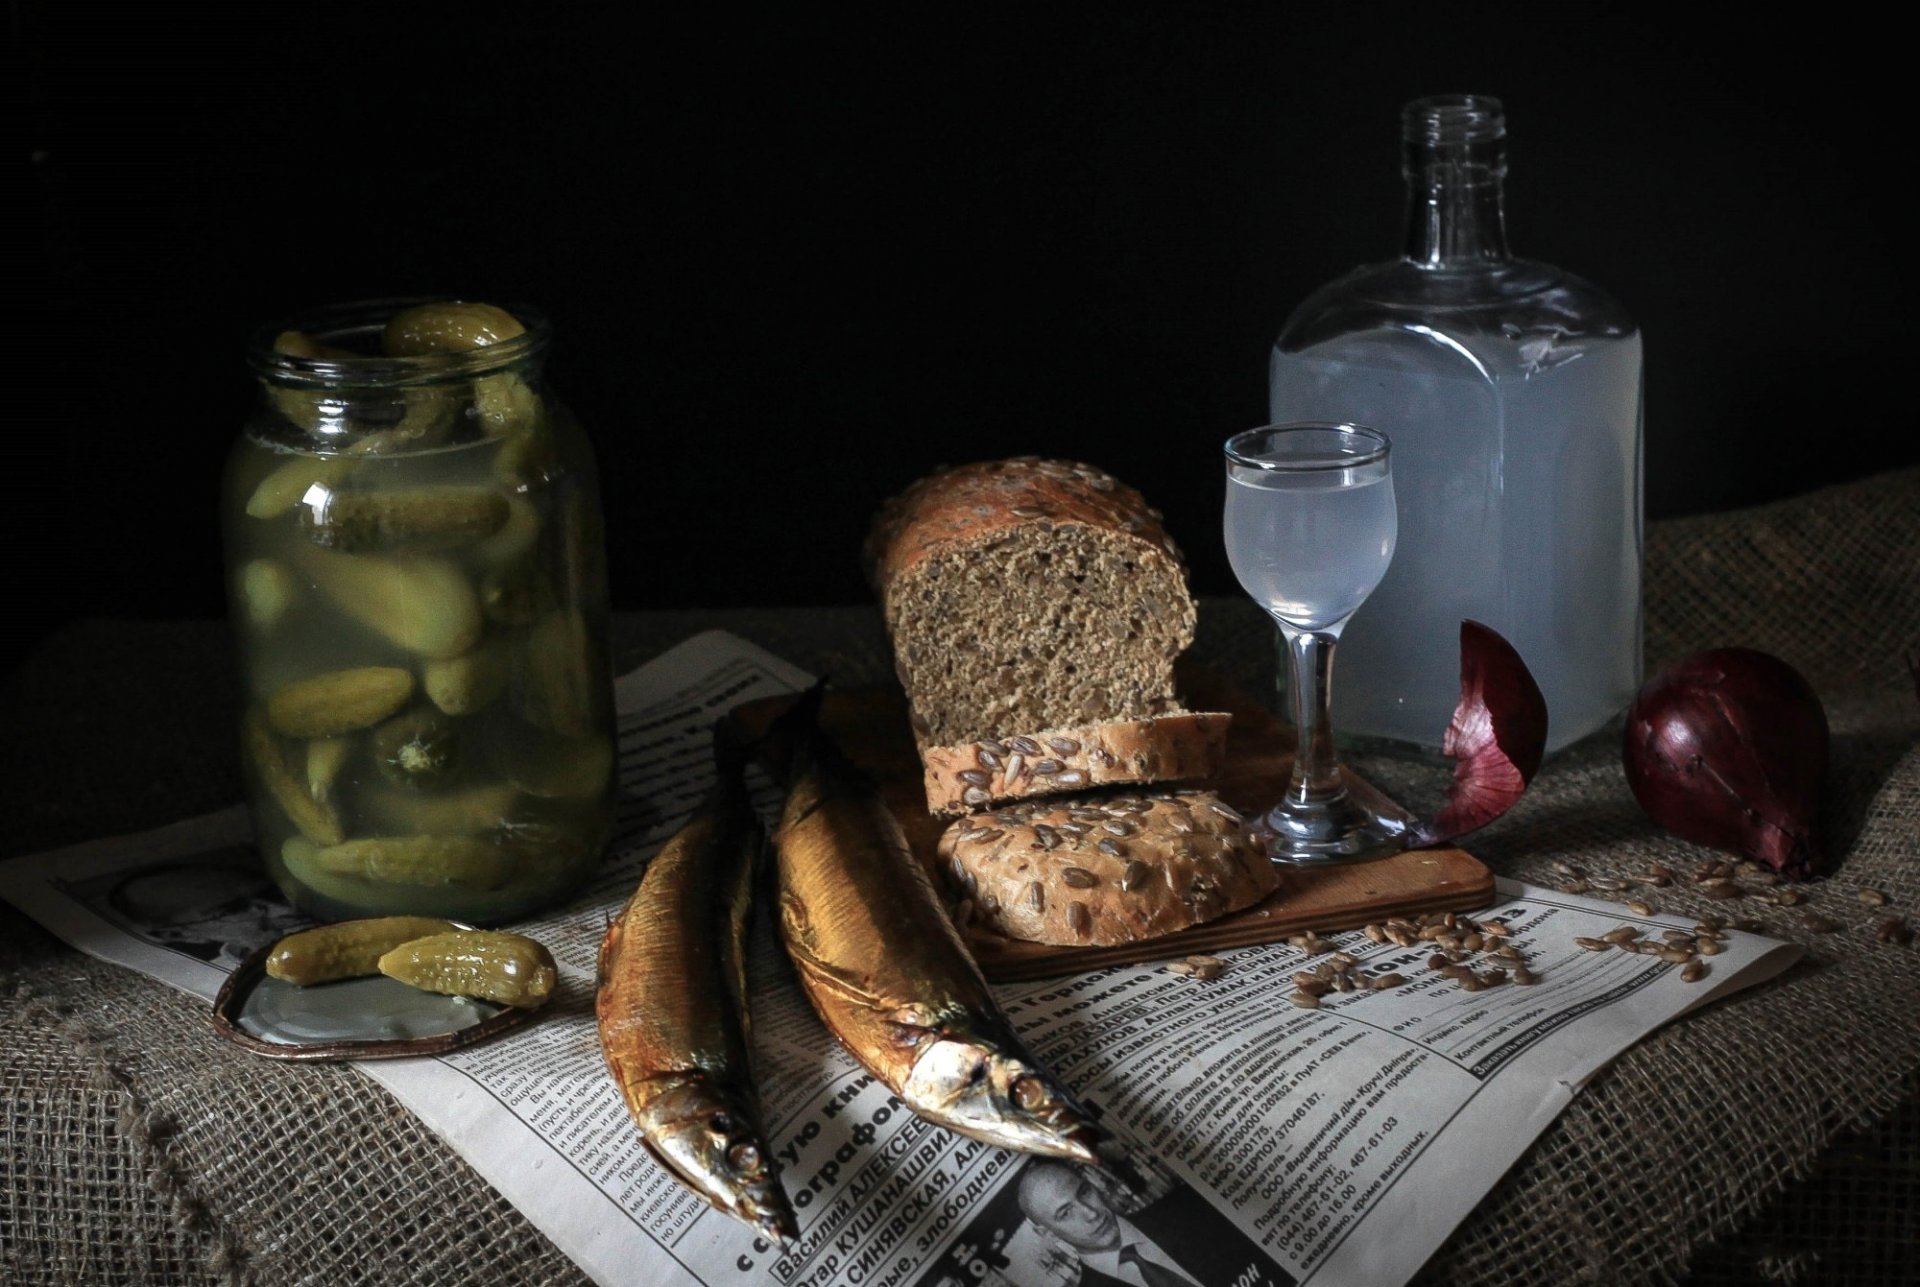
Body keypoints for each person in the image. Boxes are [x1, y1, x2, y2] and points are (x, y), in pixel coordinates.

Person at [1016, 1160, 1290, 1287]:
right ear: (1047, 1233)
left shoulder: (1188, 1208)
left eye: (1084, 1192)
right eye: (1065, 1213)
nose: (1090, 1213)